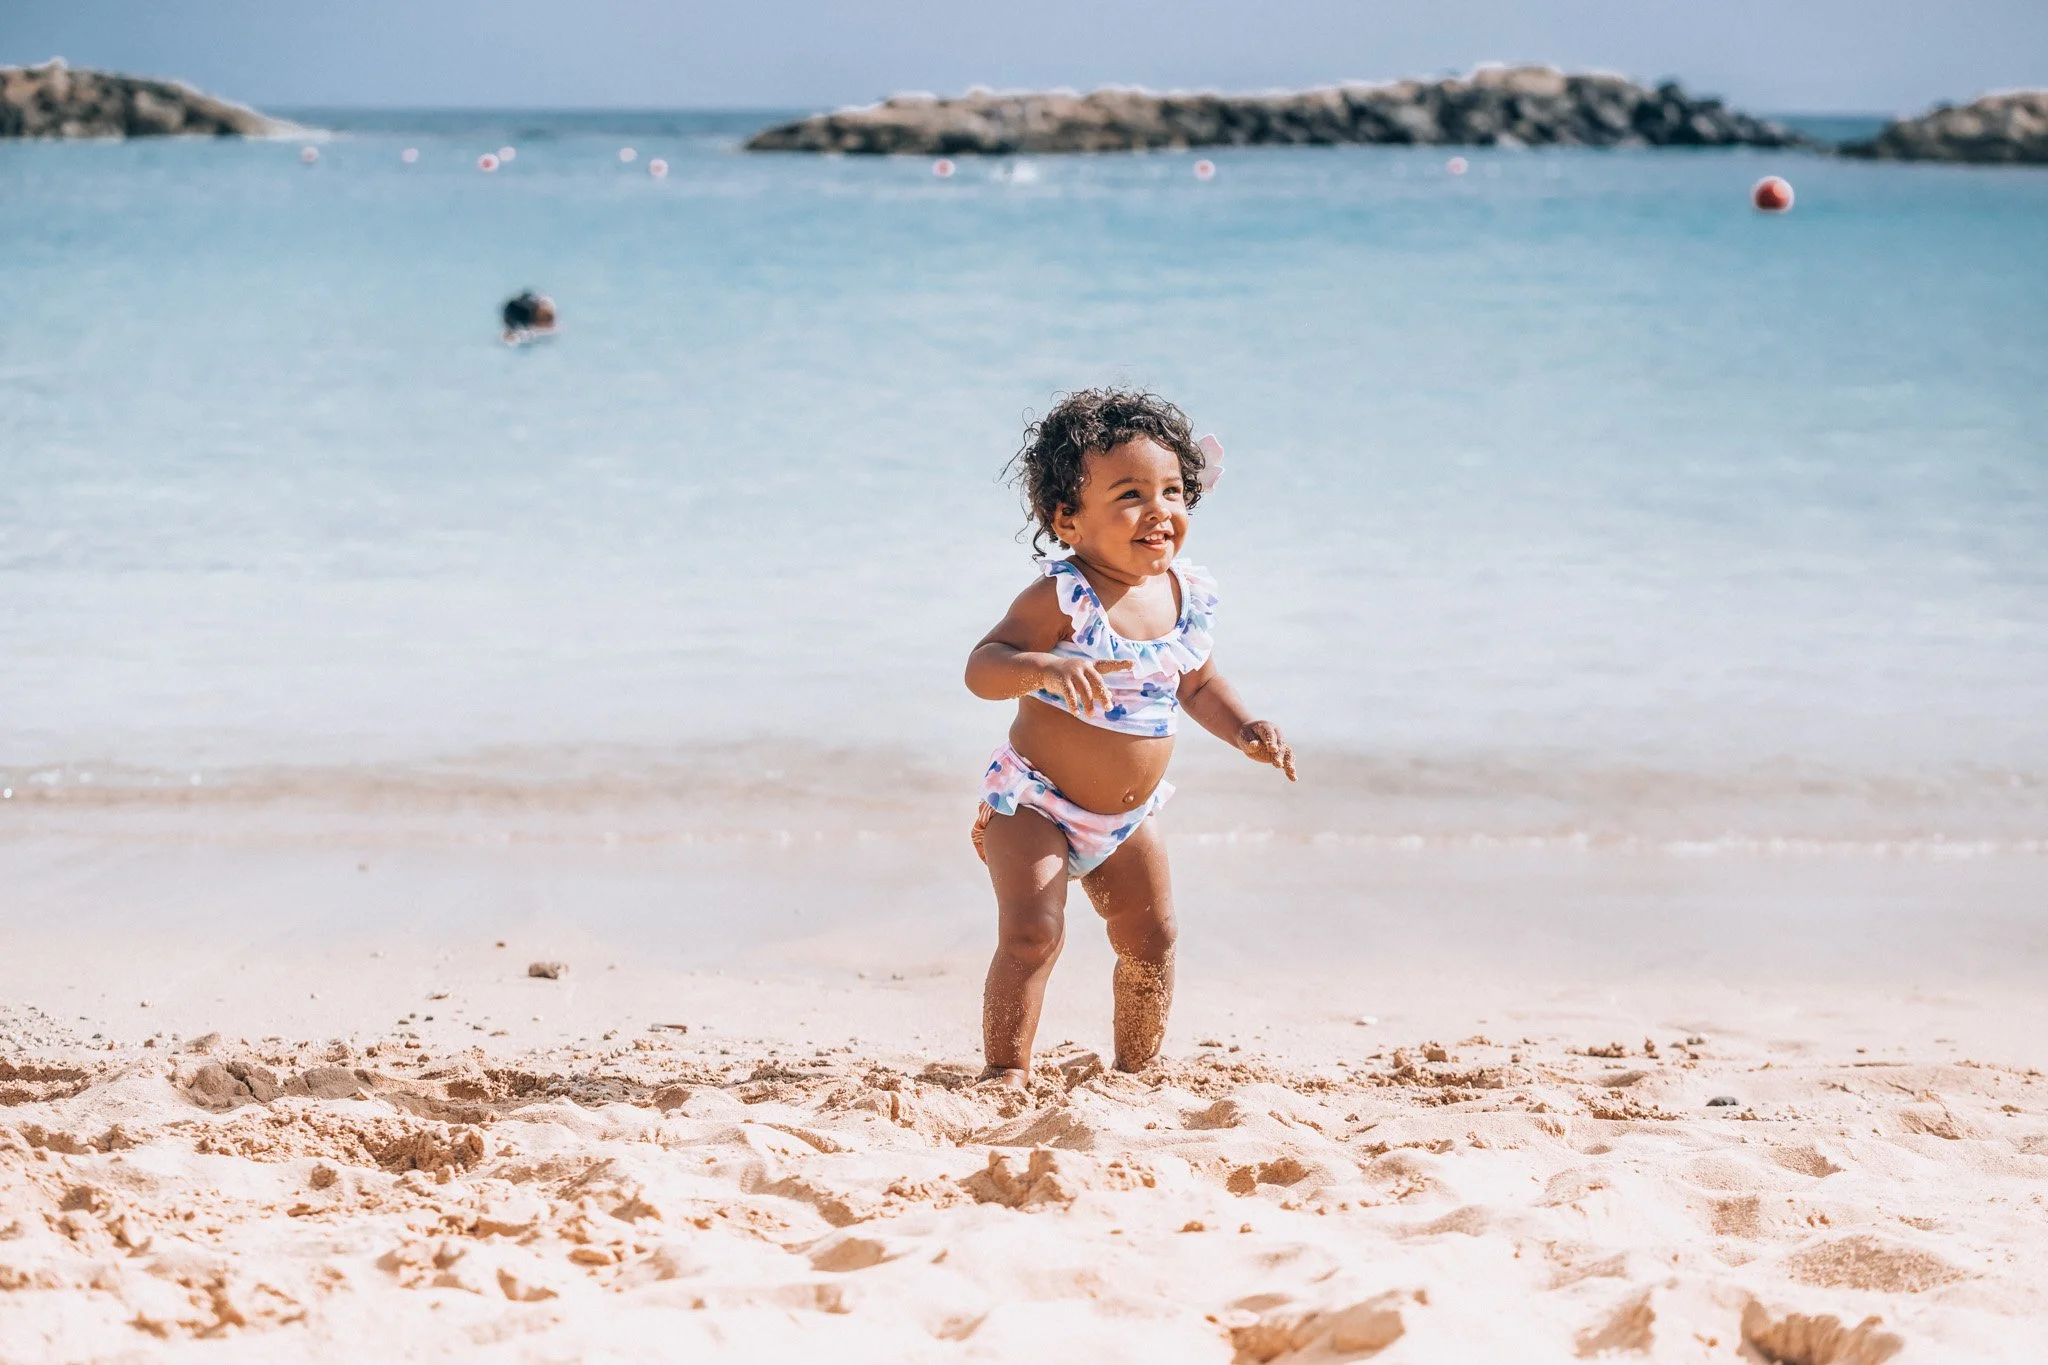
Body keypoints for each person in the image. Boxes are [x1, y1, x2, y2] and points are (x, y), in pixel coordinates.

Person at [964, 389, 1296, 1091]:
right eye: (1131, 493)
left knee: (1152, 937)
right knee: (1033, 934)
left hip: (1125, 818)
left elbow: (1198, 685)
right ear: (1068, 518)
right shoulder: (1060, 598)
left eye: (1173, 490)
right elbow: (982, 668)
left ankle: (1137, 1069)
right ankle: (1005, 1071)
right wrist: (1045, 667)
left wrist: (1244, 728)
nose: (1160, 509)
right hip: (1036, 804)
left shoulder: (1184, 595)